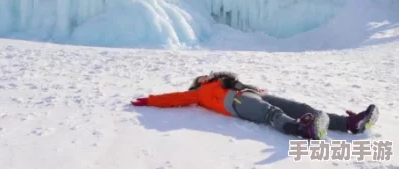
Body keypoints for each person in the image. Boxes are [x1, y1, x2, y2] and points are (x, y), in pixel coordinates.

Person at [130, 71, 378, 140]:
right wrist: (150, 100)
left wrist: (254, 89)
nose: (204, 77)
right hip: (235, 103)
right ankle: (302, 130)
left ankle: (350, 123)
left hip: (248, 94)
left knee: (301, 105)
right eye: (200, 79)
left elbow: (252, 90)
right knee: (272, 114)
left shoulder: (230, 82)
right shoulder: (199, 94)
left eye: (205, 75)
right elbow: (174, 98)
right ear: (197, 84)